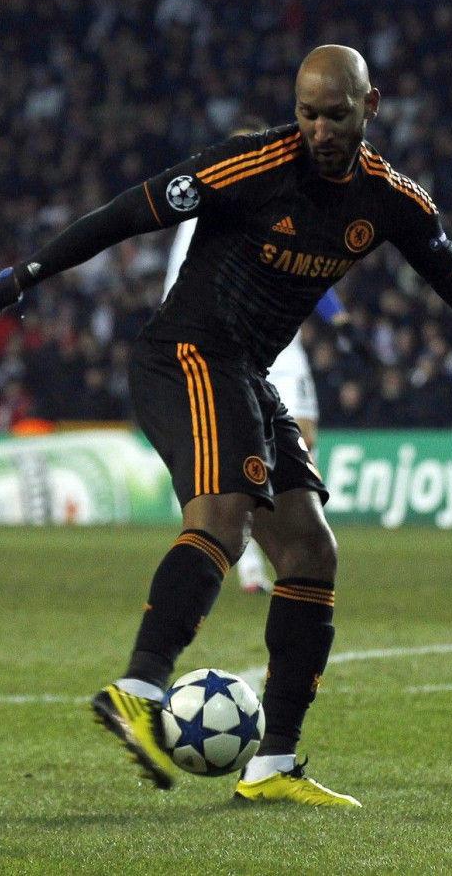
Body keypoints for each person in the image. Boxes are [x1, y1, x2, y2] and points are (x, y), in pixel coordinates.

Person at [0, 45, 452, 807]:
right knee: (224, 517)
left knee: (309, 550)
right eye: (307, 113)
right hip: (186, 352)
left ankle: (274, 763)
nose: (319, 129)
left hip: (249, 374)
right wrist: (13, 280)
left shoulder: (391, 200)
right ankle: (138, 686)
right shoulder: (248, 164)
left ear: (371, 106)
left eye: (335, 114)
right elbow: (129, 213)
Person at [162, 114, 369, 592]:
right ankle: (252, 560)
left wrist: (338, 320)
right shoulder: (205, 211)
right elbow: (180, 287)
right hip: (228, 343)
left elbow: (303, 261)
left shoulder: (279, 203)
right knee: (244, 456)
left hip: (283, 338)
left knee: (305, 442)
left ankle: (281, 543)